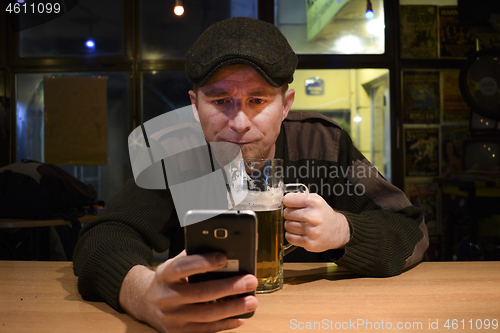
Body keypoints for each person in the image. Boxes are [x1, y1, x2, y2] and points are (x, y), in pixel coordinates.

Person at [73, 17, 428, 333]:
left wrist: (342, 230)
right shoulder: (177, 153)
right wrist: (143, 295)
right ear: (195, 106)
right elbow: (102, 237)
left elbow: (412, 231)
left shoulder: (323, 141)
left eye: (257, 100)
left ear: (285, 105)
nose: (240, 123)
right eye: (220, 101)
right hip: (207, 322)